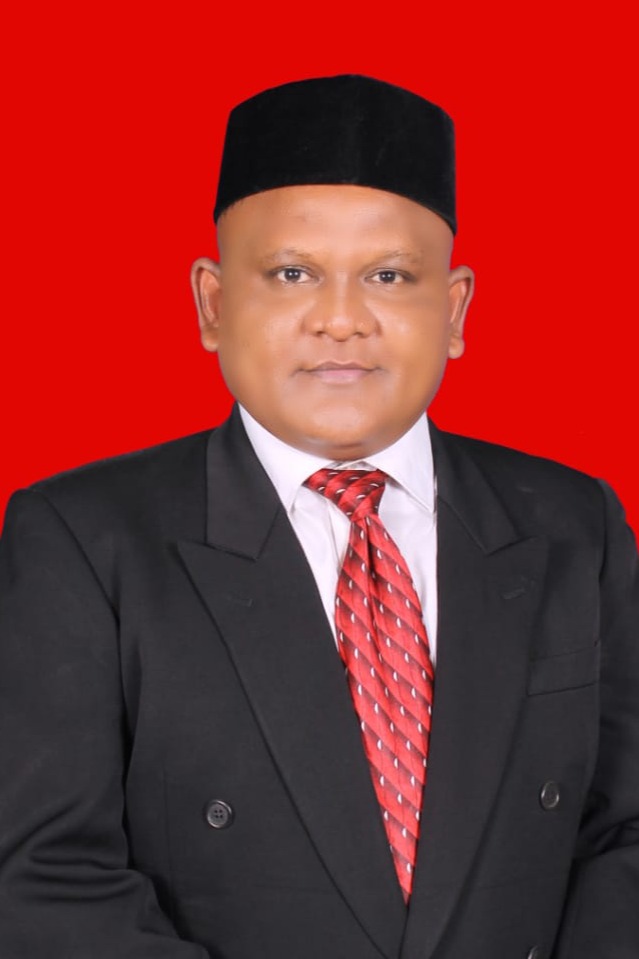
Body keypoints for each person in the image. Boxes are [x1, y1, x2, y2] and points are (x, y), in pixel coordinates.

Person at [0, 74, 637, 959]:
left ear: (454, 310)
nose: (341, 320)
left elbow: (623, 833)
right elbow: (44, 879)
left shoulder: (574, 522)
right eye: (291, 273)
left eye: (389, 275)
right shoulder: (81, 538)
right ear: (212, 303)